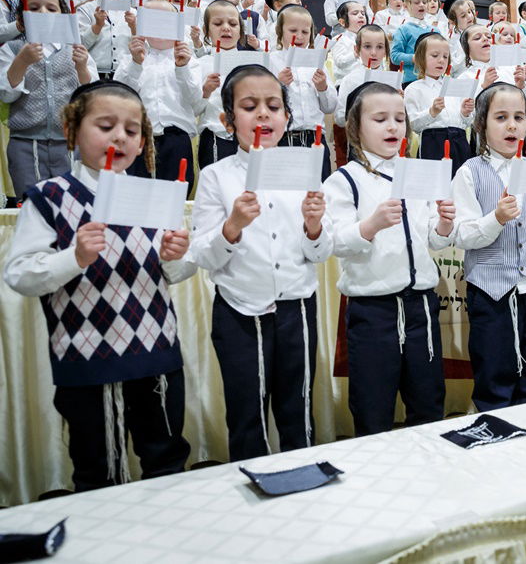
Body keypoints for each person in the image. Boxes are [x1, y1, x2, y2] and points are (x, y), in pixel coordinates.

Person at [4, 80, 193, 491]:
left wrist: (176, 256)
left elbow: (175, 274)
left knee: (166, 459)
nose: (119, 137)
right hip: (87, 360)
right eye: (105, 125)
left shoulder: (154, 196)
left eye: (131, 129)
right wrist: (74, 257)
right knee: (97, 470)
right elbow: (19, 274)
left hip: (155, 356)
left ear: (143, 140)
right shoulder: (49, 197)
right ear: (72, 130)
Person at [190, 64, 331, 460]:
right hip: (238, 310)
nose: (264, 115)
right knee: (246, 413)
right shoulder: (217, 177)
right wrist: (233, 225)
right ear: (227, 120)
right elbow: (203, 254)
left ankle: (302, 481)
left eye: (273, 106)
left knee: (297, 410)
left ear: (288, 117)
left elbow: (320, 253)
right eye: (250, 106)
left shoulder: (306, 172)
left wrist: (315, 226)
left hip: (297, 308)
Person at [323, 81, 455, 435]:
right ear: (355, 127)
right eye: (380, 119)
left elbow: (434, 240)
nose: (393, 127)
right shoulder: (343, 181)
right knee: (372, 405)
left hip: (421, 307)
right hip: (373, 309)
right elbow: (334, 242)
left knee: (428, 400)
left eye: (400, 118)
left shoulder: (417, 172)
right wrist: (371, 225)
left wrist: (443, 224)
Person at [451, 82, 526, 410]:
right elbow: (462, 235)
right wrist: (496, 218)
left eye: (519, 117)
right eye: (501, 117)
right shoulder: (469, 173)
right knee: (494, 374)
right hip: (490, 293)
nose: (512, 125)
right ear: (481, 124)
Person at [0, 0, 97, 199]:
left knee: (72, 203)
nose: (43, 12)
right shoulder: (12, 50)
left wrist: (81, 68)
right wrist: (22, 62)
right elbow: (6, 95)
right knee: (32, 203)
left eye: (51, 8)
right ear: (22, 17)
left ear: (62, 16)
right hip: (26, 143)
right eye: (34, 7)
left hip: (70, 143)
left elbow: (91, 97)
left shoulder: (76, 50)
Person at [114, 0, 201, 189]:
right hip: (139, 138)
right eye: (152, 19)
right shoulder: (130, 59)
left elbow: (196, 102)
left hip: (176, 137)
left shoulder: (191, 61)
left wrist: (183, 68)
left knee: (175, 194)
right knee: (137, 192)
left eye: (165, 20)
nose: (159, 26)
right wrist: (136, 64)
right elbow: (119, 99)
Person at [268, 4, 337, 180]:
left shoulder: (317, 62)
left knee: (318, 190)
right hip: (283, 138)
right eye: (293, 30)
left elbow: (330, 107)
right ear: (279, 31)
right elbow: (262, 103)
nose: (299, 36)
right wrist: (279, 85)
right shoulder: (270, 61)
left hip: (315, 138)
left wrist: (323, 88)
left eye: (305, 32)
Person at [404, 32, 474, 170]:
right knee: (434, 186)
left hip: (459, 140)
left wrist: (465, 113)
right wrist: (431, 112)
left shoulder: (454, 86)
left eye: (445, 56)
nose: (441, 60)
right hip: (433, 142)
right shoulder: (414, 89)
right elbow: (412, 125)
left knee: (461, 184)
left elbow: (466, 123)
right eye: (435, 56)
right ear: (420, 59)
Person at [194, 0, 246, 168]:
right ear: (206, 31)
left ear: (241, 31)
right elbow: (194, 109)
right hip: (214, 137)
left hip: (246, 139)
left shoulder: (251, 64)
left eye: (232, 23)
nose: (226, 28)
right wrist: (206, 91)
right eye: (217, 23)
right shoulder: (201, 64)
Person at [77, 0, 134, 80]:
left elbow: (144, 47)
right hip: (95, 75)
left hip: (125, 75)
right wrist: (96, 27)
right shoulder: (85, 10)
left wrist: (134, 28)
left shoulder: (132, 13)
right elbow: (80, 45)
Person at [391, 0, 439, 85]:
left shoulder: (435, 30)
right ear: (405, 6)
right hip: (412, 80)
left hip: (434, 81)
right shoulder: (403, 29)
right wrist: (415, 58)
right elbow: (395, 56)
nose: (421, 5)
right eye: (417, 2)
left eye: (424, 2)